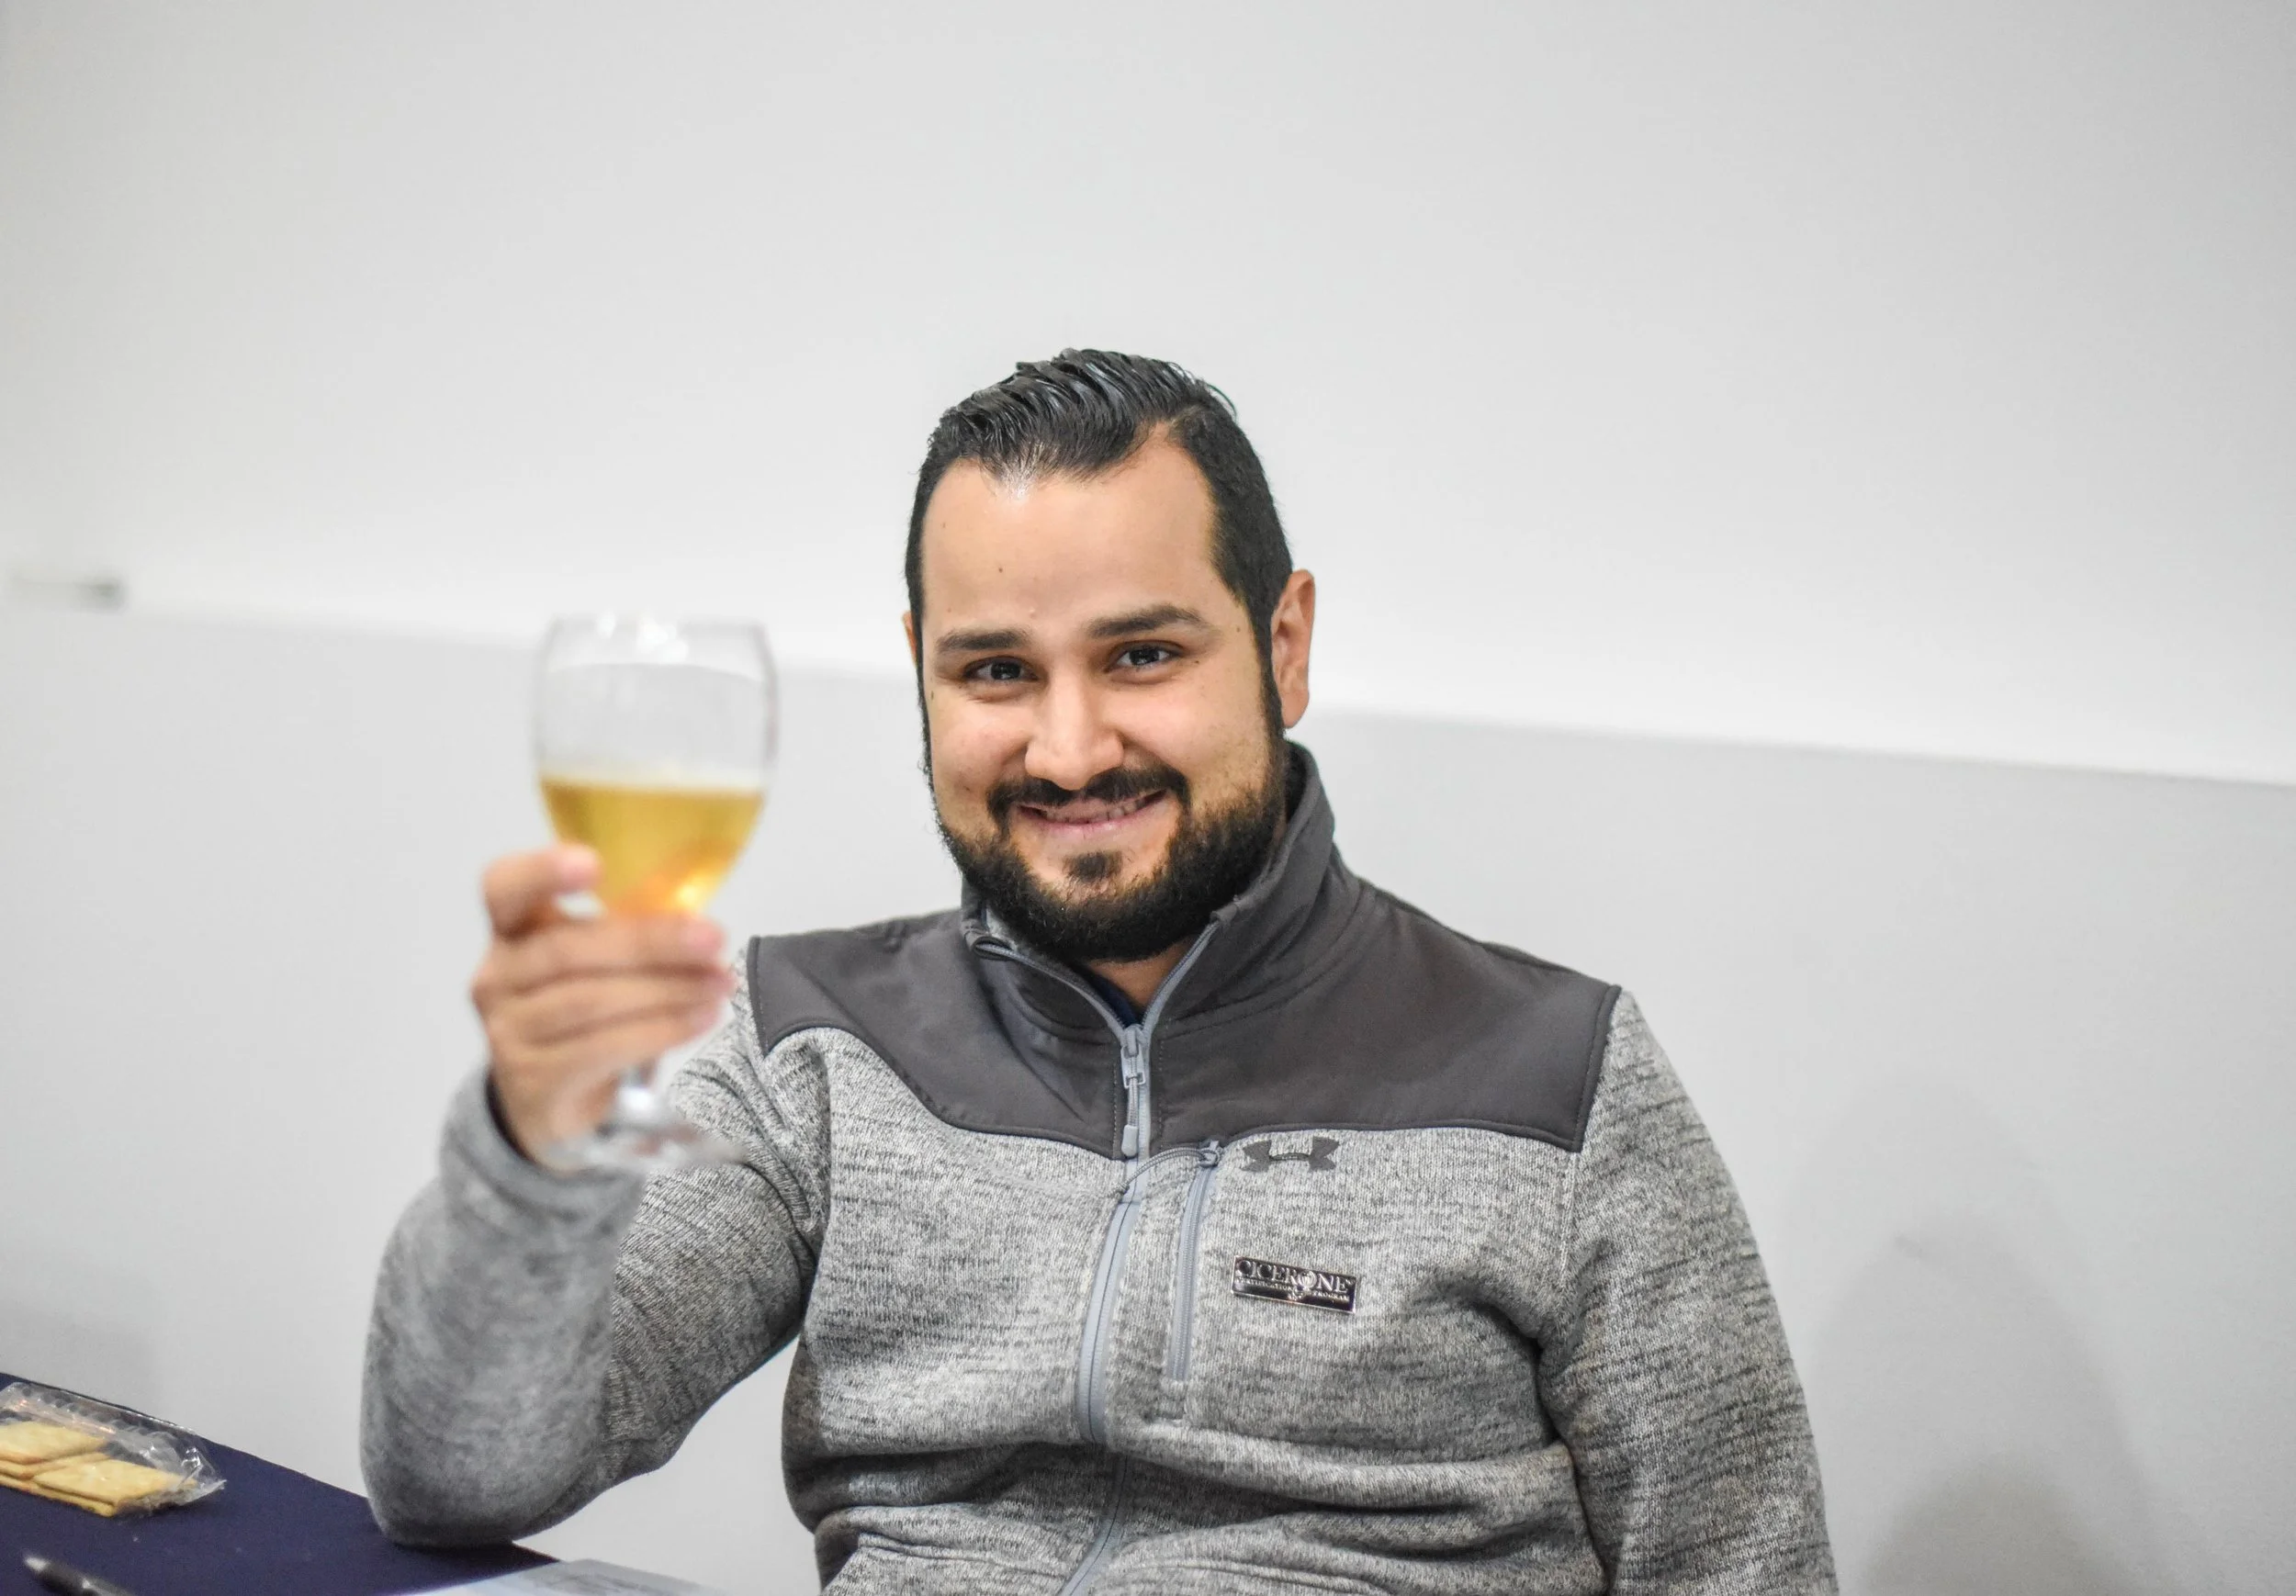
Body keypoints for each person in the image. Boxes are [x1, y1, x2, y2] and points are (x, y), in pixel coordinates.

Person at [363, 351, 1837, 1593]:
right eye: (997, 670)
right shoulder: (810, 1044)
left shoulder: (1562, 1081)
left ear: (1284, 645)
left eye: (1141, 655)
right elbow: (460, 1477)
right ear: (922, 670)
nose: (1068, 751)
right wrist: (529, 1152)